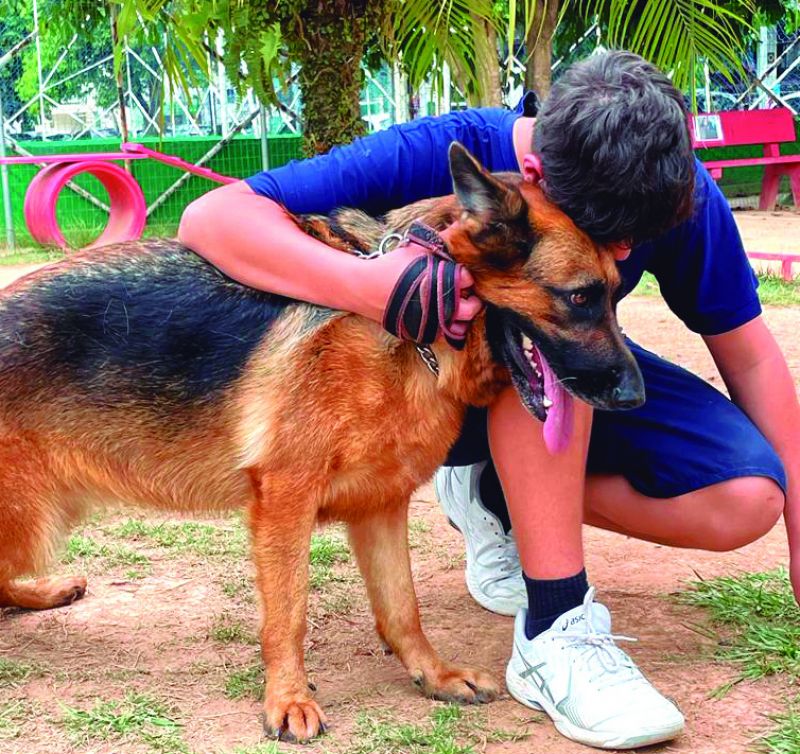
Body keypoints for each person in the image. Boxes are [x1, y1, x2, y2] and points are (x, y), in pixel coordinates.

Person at [178, 50, 798, 750]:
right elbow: (211, 218)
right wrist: (373, 287)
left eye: (637, 243)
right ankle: (555, 631)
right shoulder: (447, 148)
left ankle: (495, 496)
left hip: (530, 403)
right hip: (425, 398)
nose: (624, 254)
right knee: (530, 329)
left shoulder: (665, 186)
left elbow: (748, 355)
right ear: (532, 178)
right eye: (602, 237)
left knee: (746, 499)